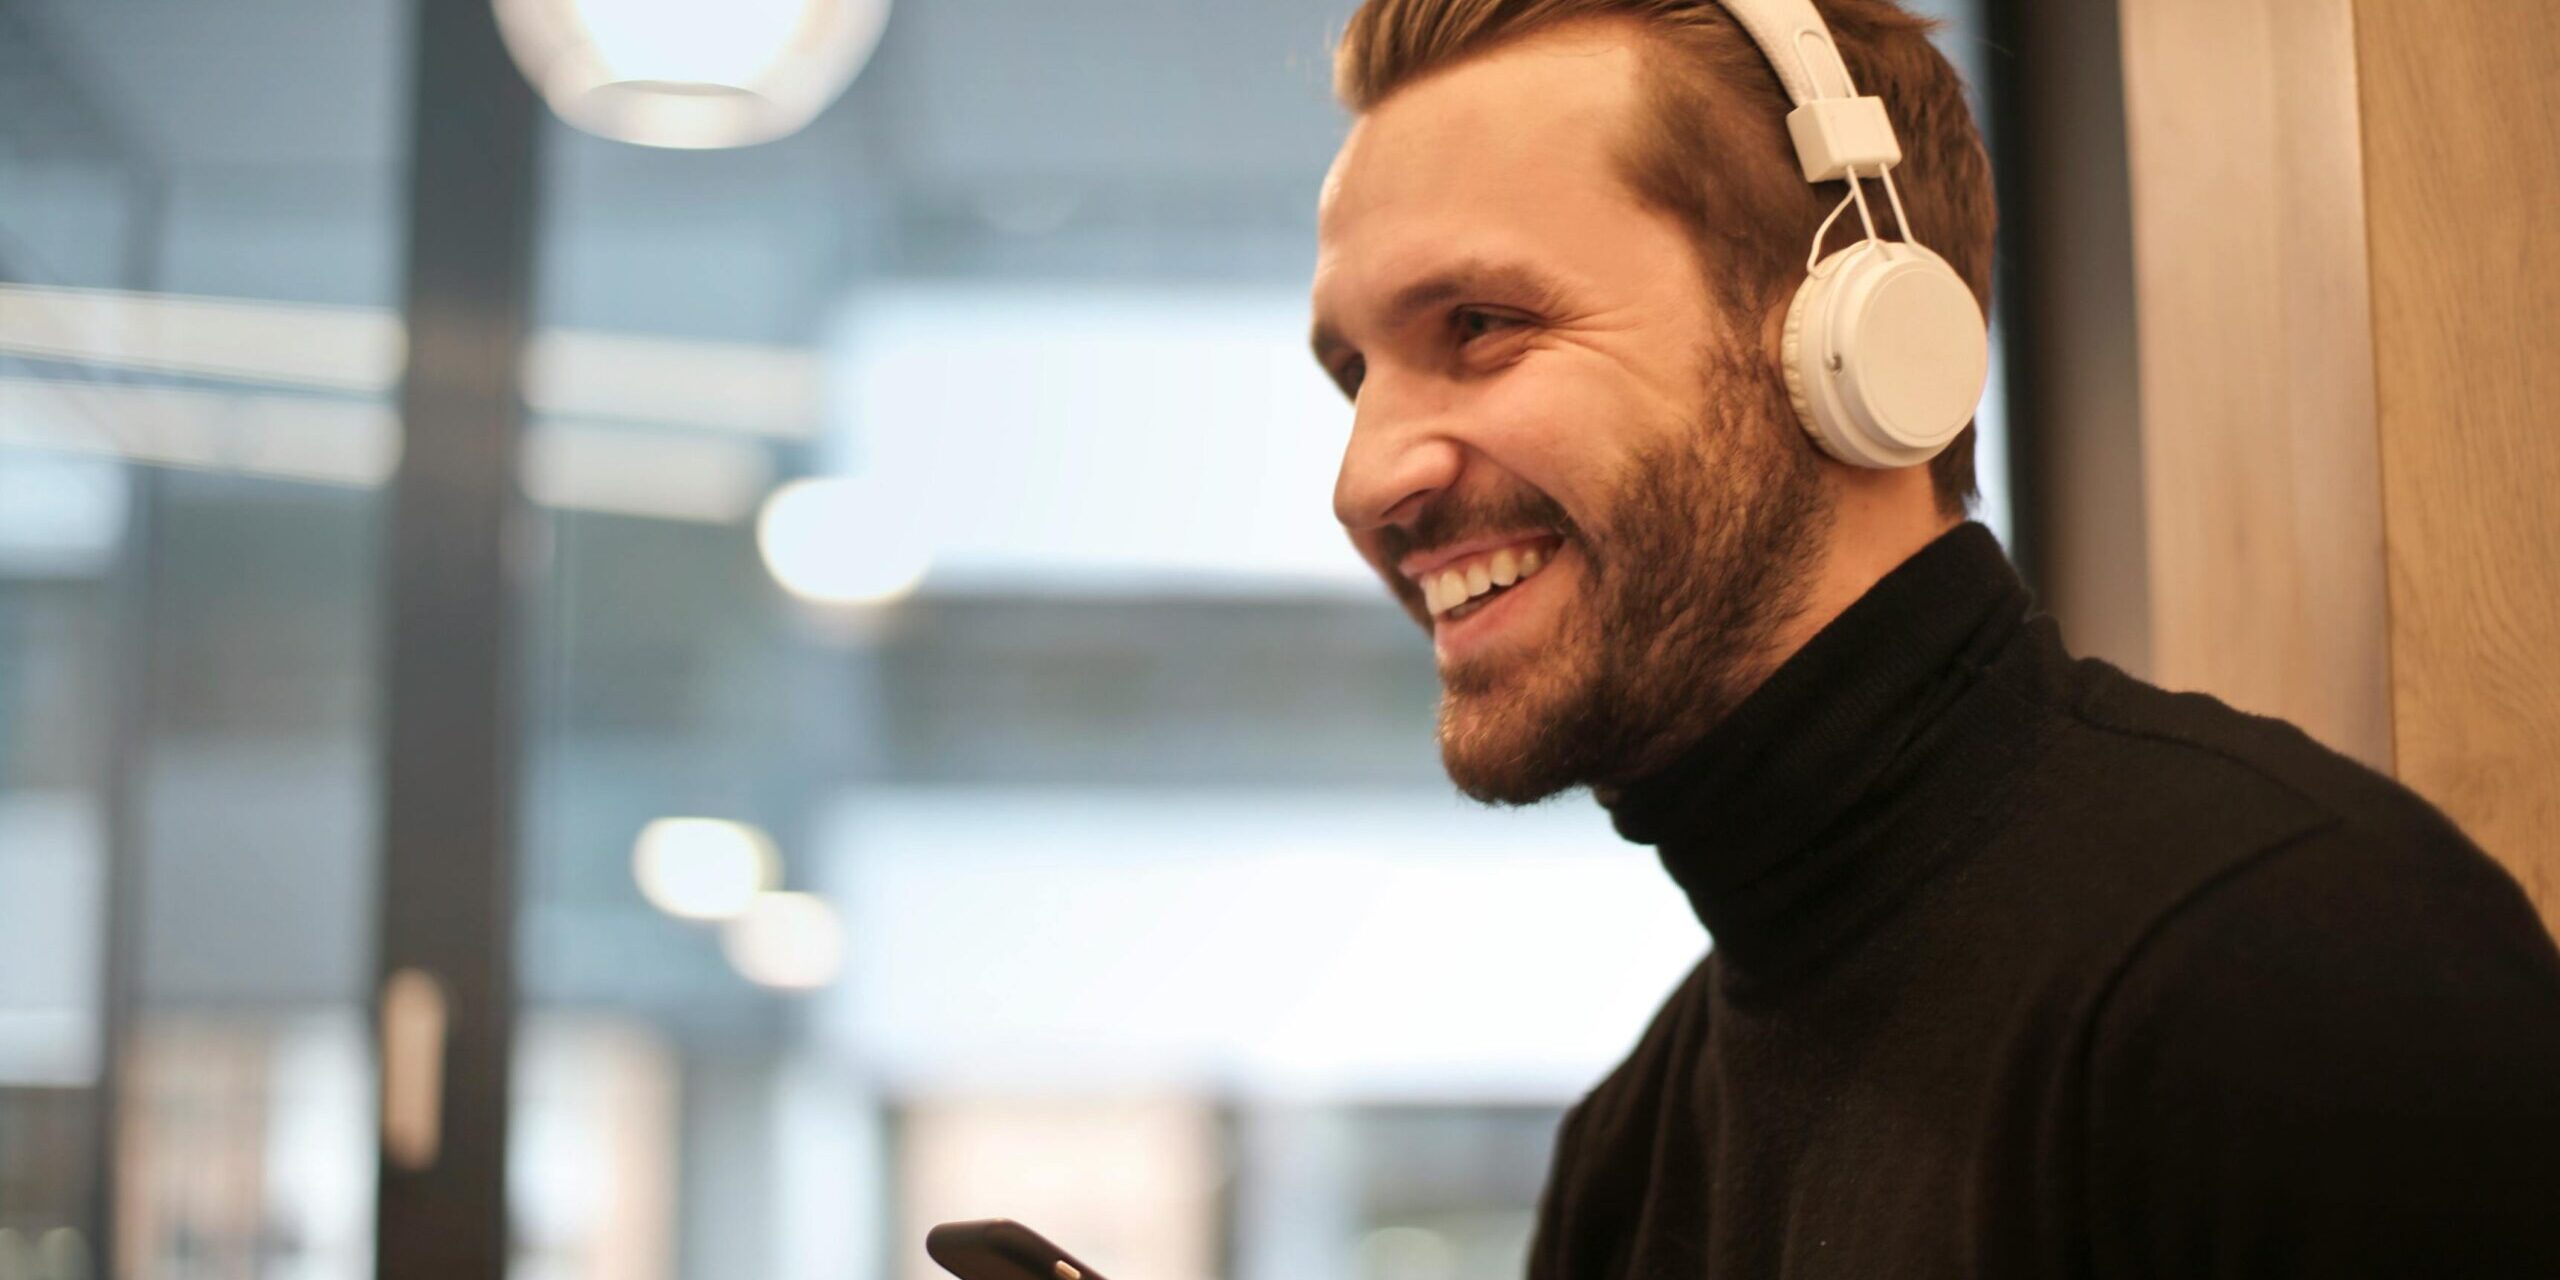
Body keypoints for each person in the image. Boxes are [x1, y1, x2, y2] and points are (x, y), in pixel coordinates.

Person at [1304, 0, 2560, 1274]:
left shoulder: (2283, 962)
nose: (1365, 483)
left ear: (1850, 333)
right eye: (1355, 375)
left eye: (1481, 325)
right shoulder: (1625, 1165)